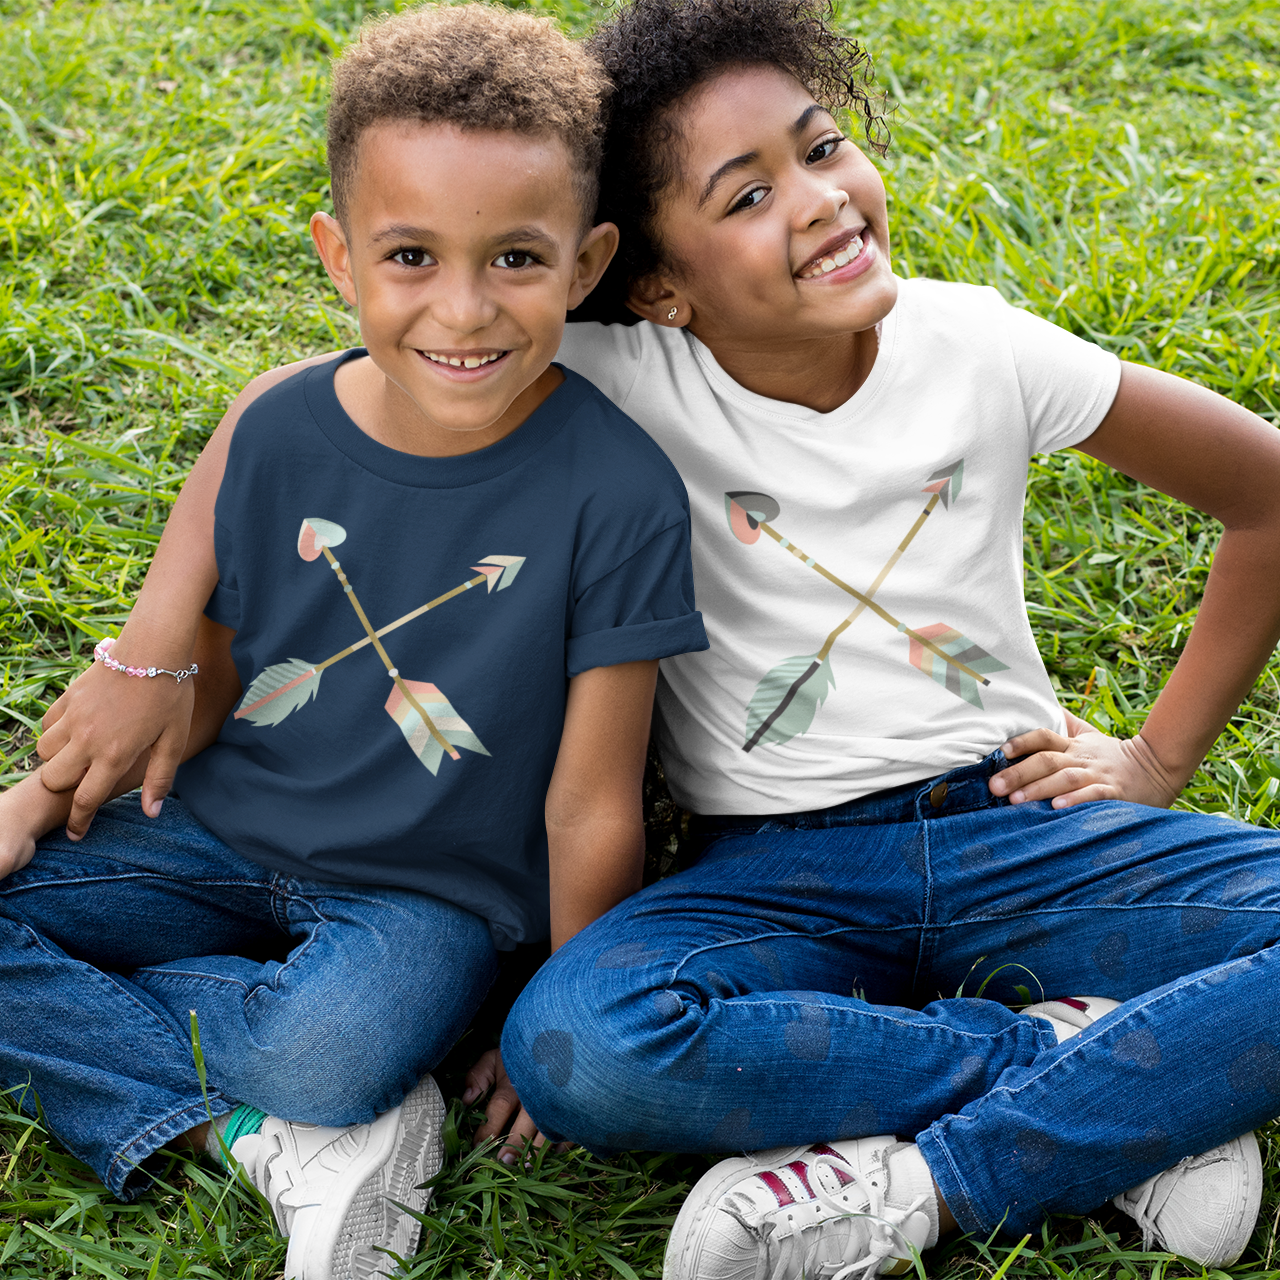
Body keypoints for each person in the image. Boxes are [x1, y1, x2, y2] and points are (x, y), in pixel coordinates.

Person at [25, 0, 1280, 1274]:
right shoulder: (601, 367)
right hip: (775, 869)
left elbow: (1265, 492)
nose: (816, 201)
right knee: (584, 1046)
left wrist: (1153, 760)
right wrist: (148, 650)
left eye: (821, 146)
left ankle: (944, 1172)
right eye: (743, 196)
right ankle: (1130, 1070)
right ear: (655, 286)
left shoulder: (980, 347)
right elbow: (294, 404)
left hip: (1014, 819)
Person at [0, 7, 707, 1280]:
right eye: (410, 255)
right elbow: (200, 671)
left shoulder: (616, 487)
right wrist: (34, 800)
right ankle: (258, 1134)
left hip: (423, 898)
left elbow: (591, 800)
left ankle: (301, 1083)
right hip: (211, 828)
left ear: (588, 260)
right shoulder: (276, 426)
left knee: (325, 1053)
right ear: (338, 256)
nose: (463, 308)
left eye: (515, 260)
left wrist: (553, 1010)